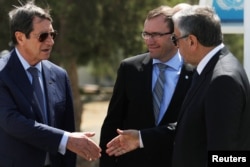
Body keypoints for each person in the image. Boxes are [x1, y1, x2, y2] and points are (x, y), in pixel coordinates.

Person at [0, 1, 101, 167]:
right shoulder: (2, 74)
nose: (50, 42)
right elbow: (12, 121)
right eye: (42, 36)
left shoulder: (60, 75)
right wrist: (65, 139)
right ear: (20, 37)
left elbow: (67, 126)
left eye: (52, 35)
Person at [99, 5, 193, 167]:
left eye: (156, 34)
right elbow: (112, 123)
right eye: (146, 34)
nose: (149, 40)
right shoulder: (130, 69)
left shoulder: (195, 73)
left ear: (174, 36)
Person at [169, 5, 250, 167]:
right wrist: (142, 138)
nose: (175, 46)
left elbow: (223, 155)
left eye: (175, 39)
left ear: (191, 41)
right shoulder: (212, 67)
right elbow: (195, 125)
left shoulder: (222, 79)